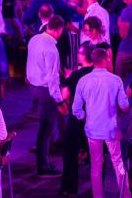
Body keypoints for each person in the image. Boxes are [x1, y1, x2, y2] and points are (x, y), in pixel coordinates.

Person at [72, 47, 131, 198]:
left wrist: (85, 117)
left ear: (93, 61)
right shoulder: (115, 80)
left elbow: (76, 109)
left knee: (96, 166)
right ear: (105, 60)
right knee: (118, 163)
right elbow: (124, 106)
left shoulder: (83, 81)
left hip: (93, 130)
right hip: (111, 129)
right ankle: (125, 195)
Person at [26, 15, 68, 177]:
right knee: (45, 129)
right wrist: (60, 101)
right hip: (46, 92)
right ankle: (43, 167)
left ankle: (43, 162)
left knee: (43, 128)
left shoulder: (34, 39)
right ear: (58, 30)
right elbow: (52, 80)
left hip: (34, 88)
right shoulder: (51, 50)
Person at [60, 43, 95, 196]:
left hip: (77, 122)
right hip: (96, 122)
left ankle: (69, 187)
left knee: (70, 155)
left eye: (80, 53)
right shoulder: (102, 75)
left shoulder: (75, 75)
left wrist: (67, 80)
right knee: (97, 158)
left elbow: (64, 96)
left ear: (84, 56)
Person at [117, 0, 132, 79]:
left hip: (128, 51)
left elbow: (123, 34)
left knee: (119, 78)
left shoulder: (127, 11)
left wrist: (120, 22)